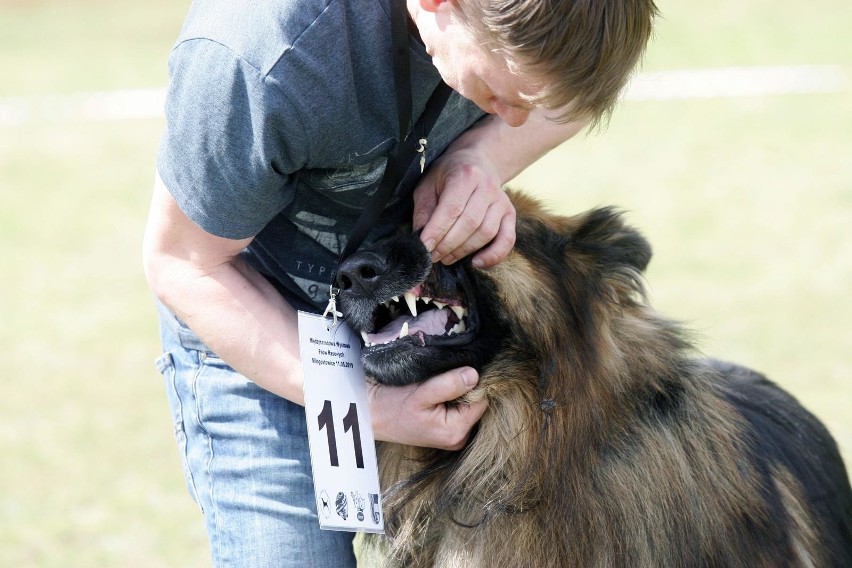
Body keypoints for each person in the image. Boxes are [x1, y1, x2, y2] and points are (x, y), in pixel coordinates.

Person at [142, 0, 657, 565]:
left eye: (536, 103)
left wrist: (479, 157)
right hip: (253, 319)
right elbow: (183, 263)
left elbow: (561, 101)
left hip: (403, 308)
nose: (514, 120)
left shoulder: (523, 46)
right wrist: (365, 404)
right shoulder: (257, 57)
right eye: (499, 94)